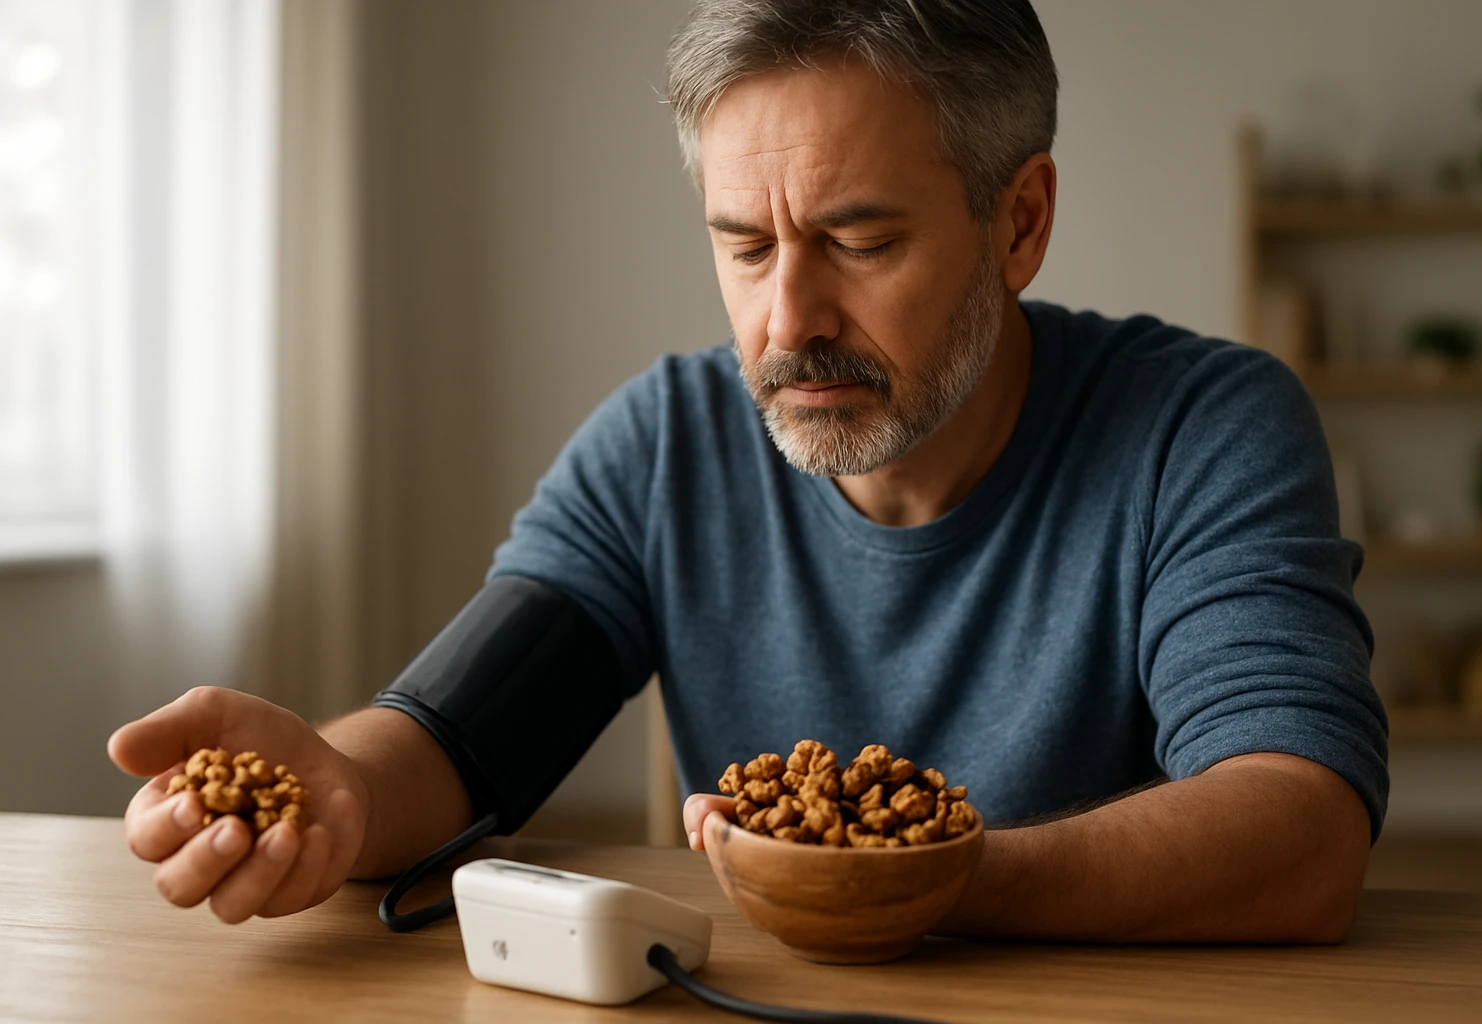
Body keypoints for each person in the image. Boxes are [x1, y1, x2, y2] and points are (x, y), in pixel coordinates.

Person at [108, 0, 1387, 941]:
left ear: (1021, 221)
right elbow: (460, 736)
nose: (788, 322)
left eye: (859, 240)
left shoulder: (1205, 429)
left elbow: (1302, 830)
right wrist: (331, 788)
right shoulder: (665, 441)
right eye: (743, 244)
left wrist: (916, 877)